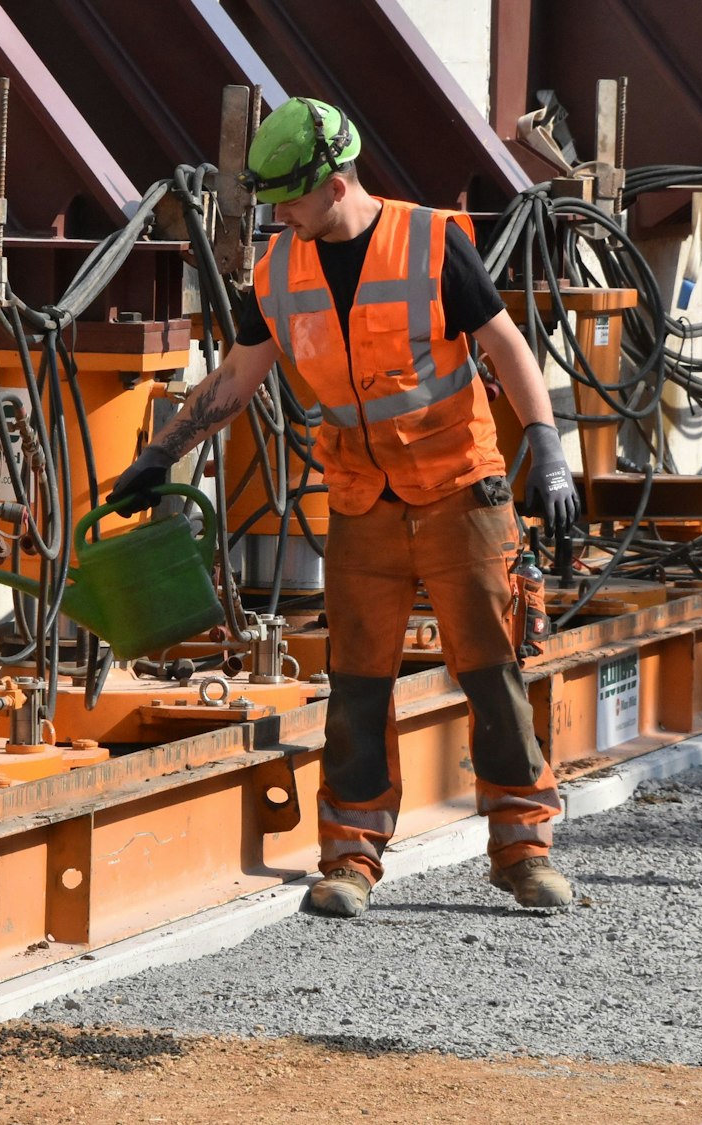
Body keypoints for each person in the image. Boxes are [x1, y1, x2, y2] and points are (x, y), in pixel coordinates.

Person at [108, 98, 578, 917]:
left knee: (493, 675)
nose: (279, 216)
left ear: (332, 182)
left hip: (462, 490)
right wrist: (160, 454)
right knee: (359, 686)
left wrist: (548, 449)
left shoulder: (433, 241)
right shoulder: (279, 272)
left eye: (289, 198)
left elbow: (506, 348)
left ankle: (524, 851)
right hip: (361, 501)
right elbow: (235, 377)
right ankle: (351, 859)